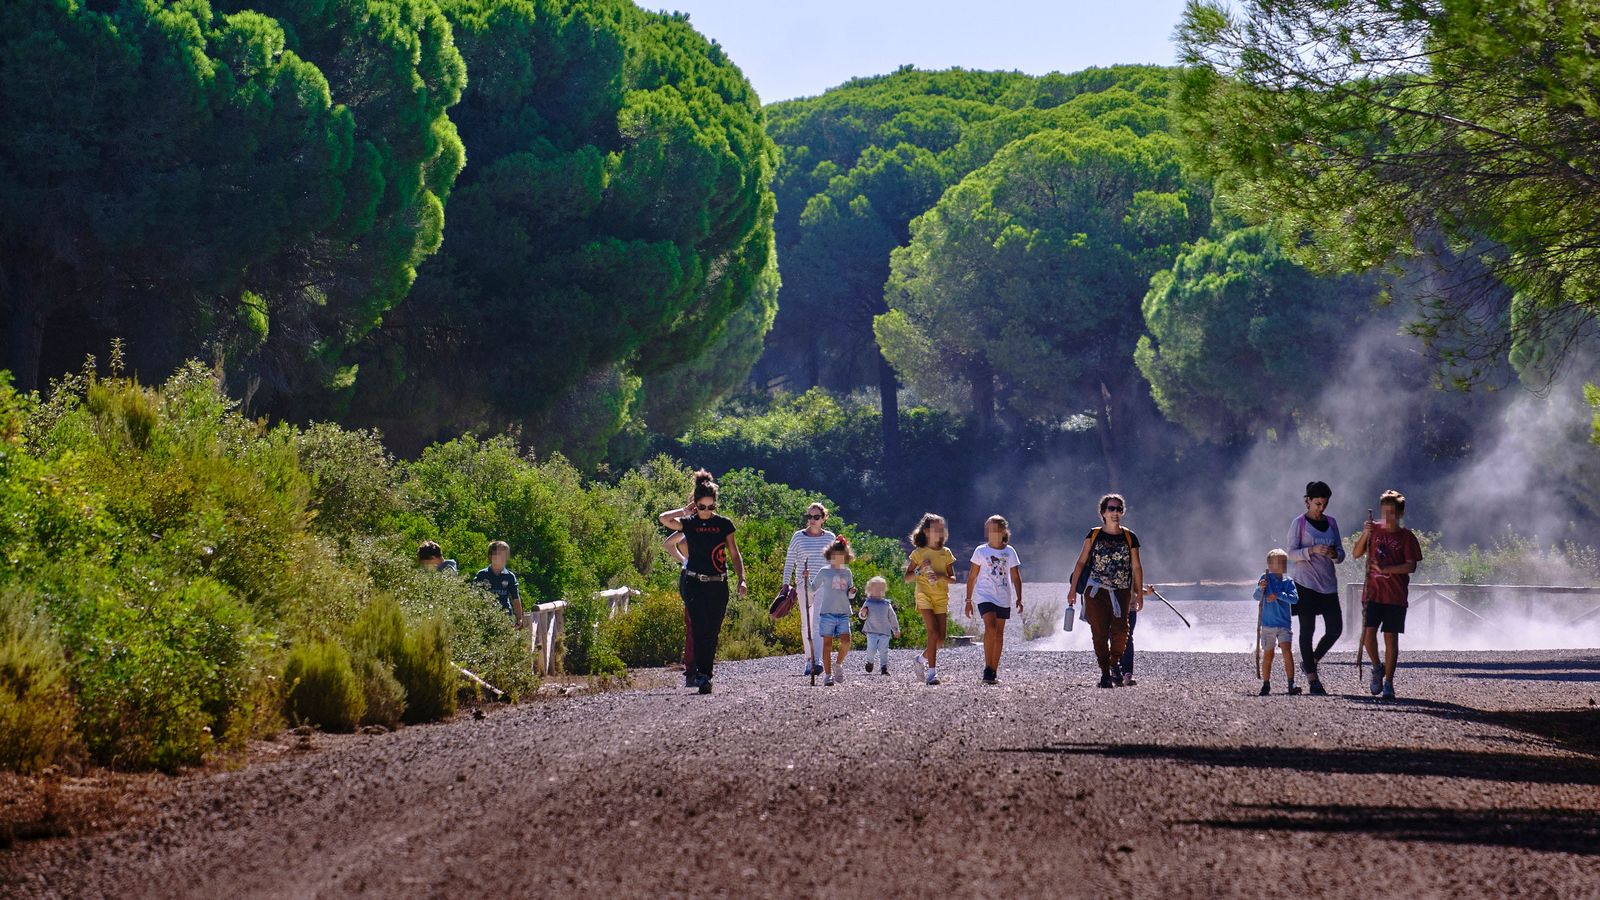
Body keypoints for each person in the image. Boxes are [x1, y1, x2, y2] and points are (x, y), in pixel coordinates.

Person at [658, 470, 748, 694]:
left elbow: (734, 553)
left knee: (712, 631)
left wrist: (742, 579)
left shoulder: (724, 524)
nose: (706, 511)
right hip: (694, 583)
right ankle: (702, 675)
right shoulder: (689, 523)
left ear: (715, 504)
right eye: (702, 506)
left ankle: (705, 672)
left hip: (718, 584)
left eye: (711, 506)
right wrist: (684, 510)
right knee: (698, 628)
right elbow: (663, 518)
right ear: (695, 504)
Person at [1067, 495, 1145, 688]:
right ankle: (1105, 674)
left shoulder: (1130, 537)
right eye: (1111, 509)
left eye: (1119, 509)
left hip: (1121, 592)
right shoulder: (1094, 535)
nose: (1115, 512)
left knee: (1121, 632)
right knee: (1099, 633)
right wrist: (1072, 590)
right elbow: (1081, 563)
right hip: (1096, 592)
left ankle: (1113, 664)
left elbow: (1136, 567)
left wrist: (1139, 594)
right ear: (1103, 512)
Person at [1352, 489, 1422, 700]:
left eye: (1392, 512)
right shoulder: (1374, 530)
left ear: (1400, 513)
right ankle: (1377, 667)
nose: (1388, 517)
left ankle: (1389, 682)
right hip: (1372, 593)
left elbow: (1411, 566)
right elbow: (1356, 553)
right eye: (1384, 512)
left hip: (1395, 595)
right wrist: (1365, 533)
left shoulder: (1407, 537)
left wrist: (1386, 569)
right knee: (1367, 634)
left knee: (1390, 637)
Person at [1286, 481, 1345, 695]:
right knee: (1307, 630)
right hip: (1305, 583)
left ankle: (1311, 660)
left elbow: (1341, 553)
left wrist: (1334, 554)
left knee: (1335, 629)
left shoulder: (1332, 523)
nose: (1321, 508)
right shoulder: (1299, 523)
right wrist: (1311, 550)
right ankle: (1313, 679)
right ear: (1308, 501)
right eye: (1317, 503)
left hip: (1328, 583)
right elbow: (1290, 553)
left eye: (1324, 504)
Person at [964, 515, 1023, 685]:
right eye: (989, 530)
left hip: (1003, 597)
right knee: (990, 627)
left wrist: (1019, 598)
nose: (991, 533)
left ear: (1003, 531)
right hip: (985, 596)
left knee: (999, 633)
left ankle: (993, 670)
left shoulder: (1009, 551)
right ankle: (987, 667)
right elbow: (972, 577)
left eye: (995, 530)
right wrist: (968, 600)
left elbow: (1016, 576)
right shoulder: (980, 551)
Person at [782, 502, 836, 677]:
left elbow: (834, 562)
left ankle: (816, 661)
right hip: (803, 584)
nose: (812, 520)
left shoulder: (830, 537)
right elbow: (790, 560)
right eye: (809, 516)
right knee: (806, 624)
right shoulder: (798, 537)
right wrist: (785, 584)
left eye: (816, 517)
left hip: (823, 585)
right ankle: (809, 659)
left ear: (823, 519)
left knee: (818, 622)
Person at [904, 513, 957, 686]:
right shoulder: (918, 553)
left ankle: (920, 659)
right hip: (923, 595)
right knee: (933, 633)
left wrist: (941, 576)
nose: (939, 531)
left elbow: (953, 579)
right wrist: (920, 568)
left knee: (940, 639)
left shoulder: (946, 553)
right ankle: (932, 674)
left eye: (941, 528)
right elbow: (907, 578)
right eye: (936, 528)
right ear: (926, 531)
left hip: (941, 597)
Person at [1255, 549, 1302, 695]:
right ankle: (1266, 684)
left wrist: (1278, 595)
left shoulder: (1288, 581)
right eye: (1279, 562)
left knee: (1287, 652)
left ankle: (1291, 683)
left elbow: (1294, 599)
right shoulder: (1265, 578)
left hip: (1284, 624)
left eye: (1284, 562)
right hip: (1268, 624)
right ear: (1270, 565)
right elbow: (1256, 596)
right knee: (1268, 654)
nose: (1283, 565)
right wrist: (1261, 588)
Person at [811, 537, 857, 686]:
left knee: (846, 642)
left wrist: (852, 592)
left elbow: (849, 595)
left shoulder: (847, 572)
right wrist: (804, 579)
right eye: (836, 555)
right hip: (827, 613)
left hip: (843, 612)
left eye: (841, 555)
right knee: (827, 644)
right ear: (830, 555)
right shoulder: (824, 571)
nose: (838, 558)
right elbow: (813, 588)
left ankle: (838, 664)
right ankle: (828, 675)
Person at [473, 541, 526, 628]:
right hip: (485, 617)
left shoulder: (509, 576)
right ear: (491, 556)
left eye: (504, 555)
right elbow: (473, 596)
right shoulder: (482, 575)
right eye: (498, 554)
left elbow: (515, 598)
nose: (501, 558)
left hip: (505, 617)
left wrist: (519, 618)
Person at [858, 576, 900, 676]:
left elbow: (892, 617)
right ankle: (870, 662)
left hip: (884, 631)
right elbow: (862, 616)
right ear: (869, 589)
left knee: (884, 650)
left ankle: (884, 667)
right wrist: (863, 613)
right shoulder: (868, 602)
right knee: (871, 649)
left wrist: (896, 629)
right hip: (871, 631)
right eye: (876, 588)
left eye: (881, 588)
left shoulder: (886, 604)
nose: (879, 591)